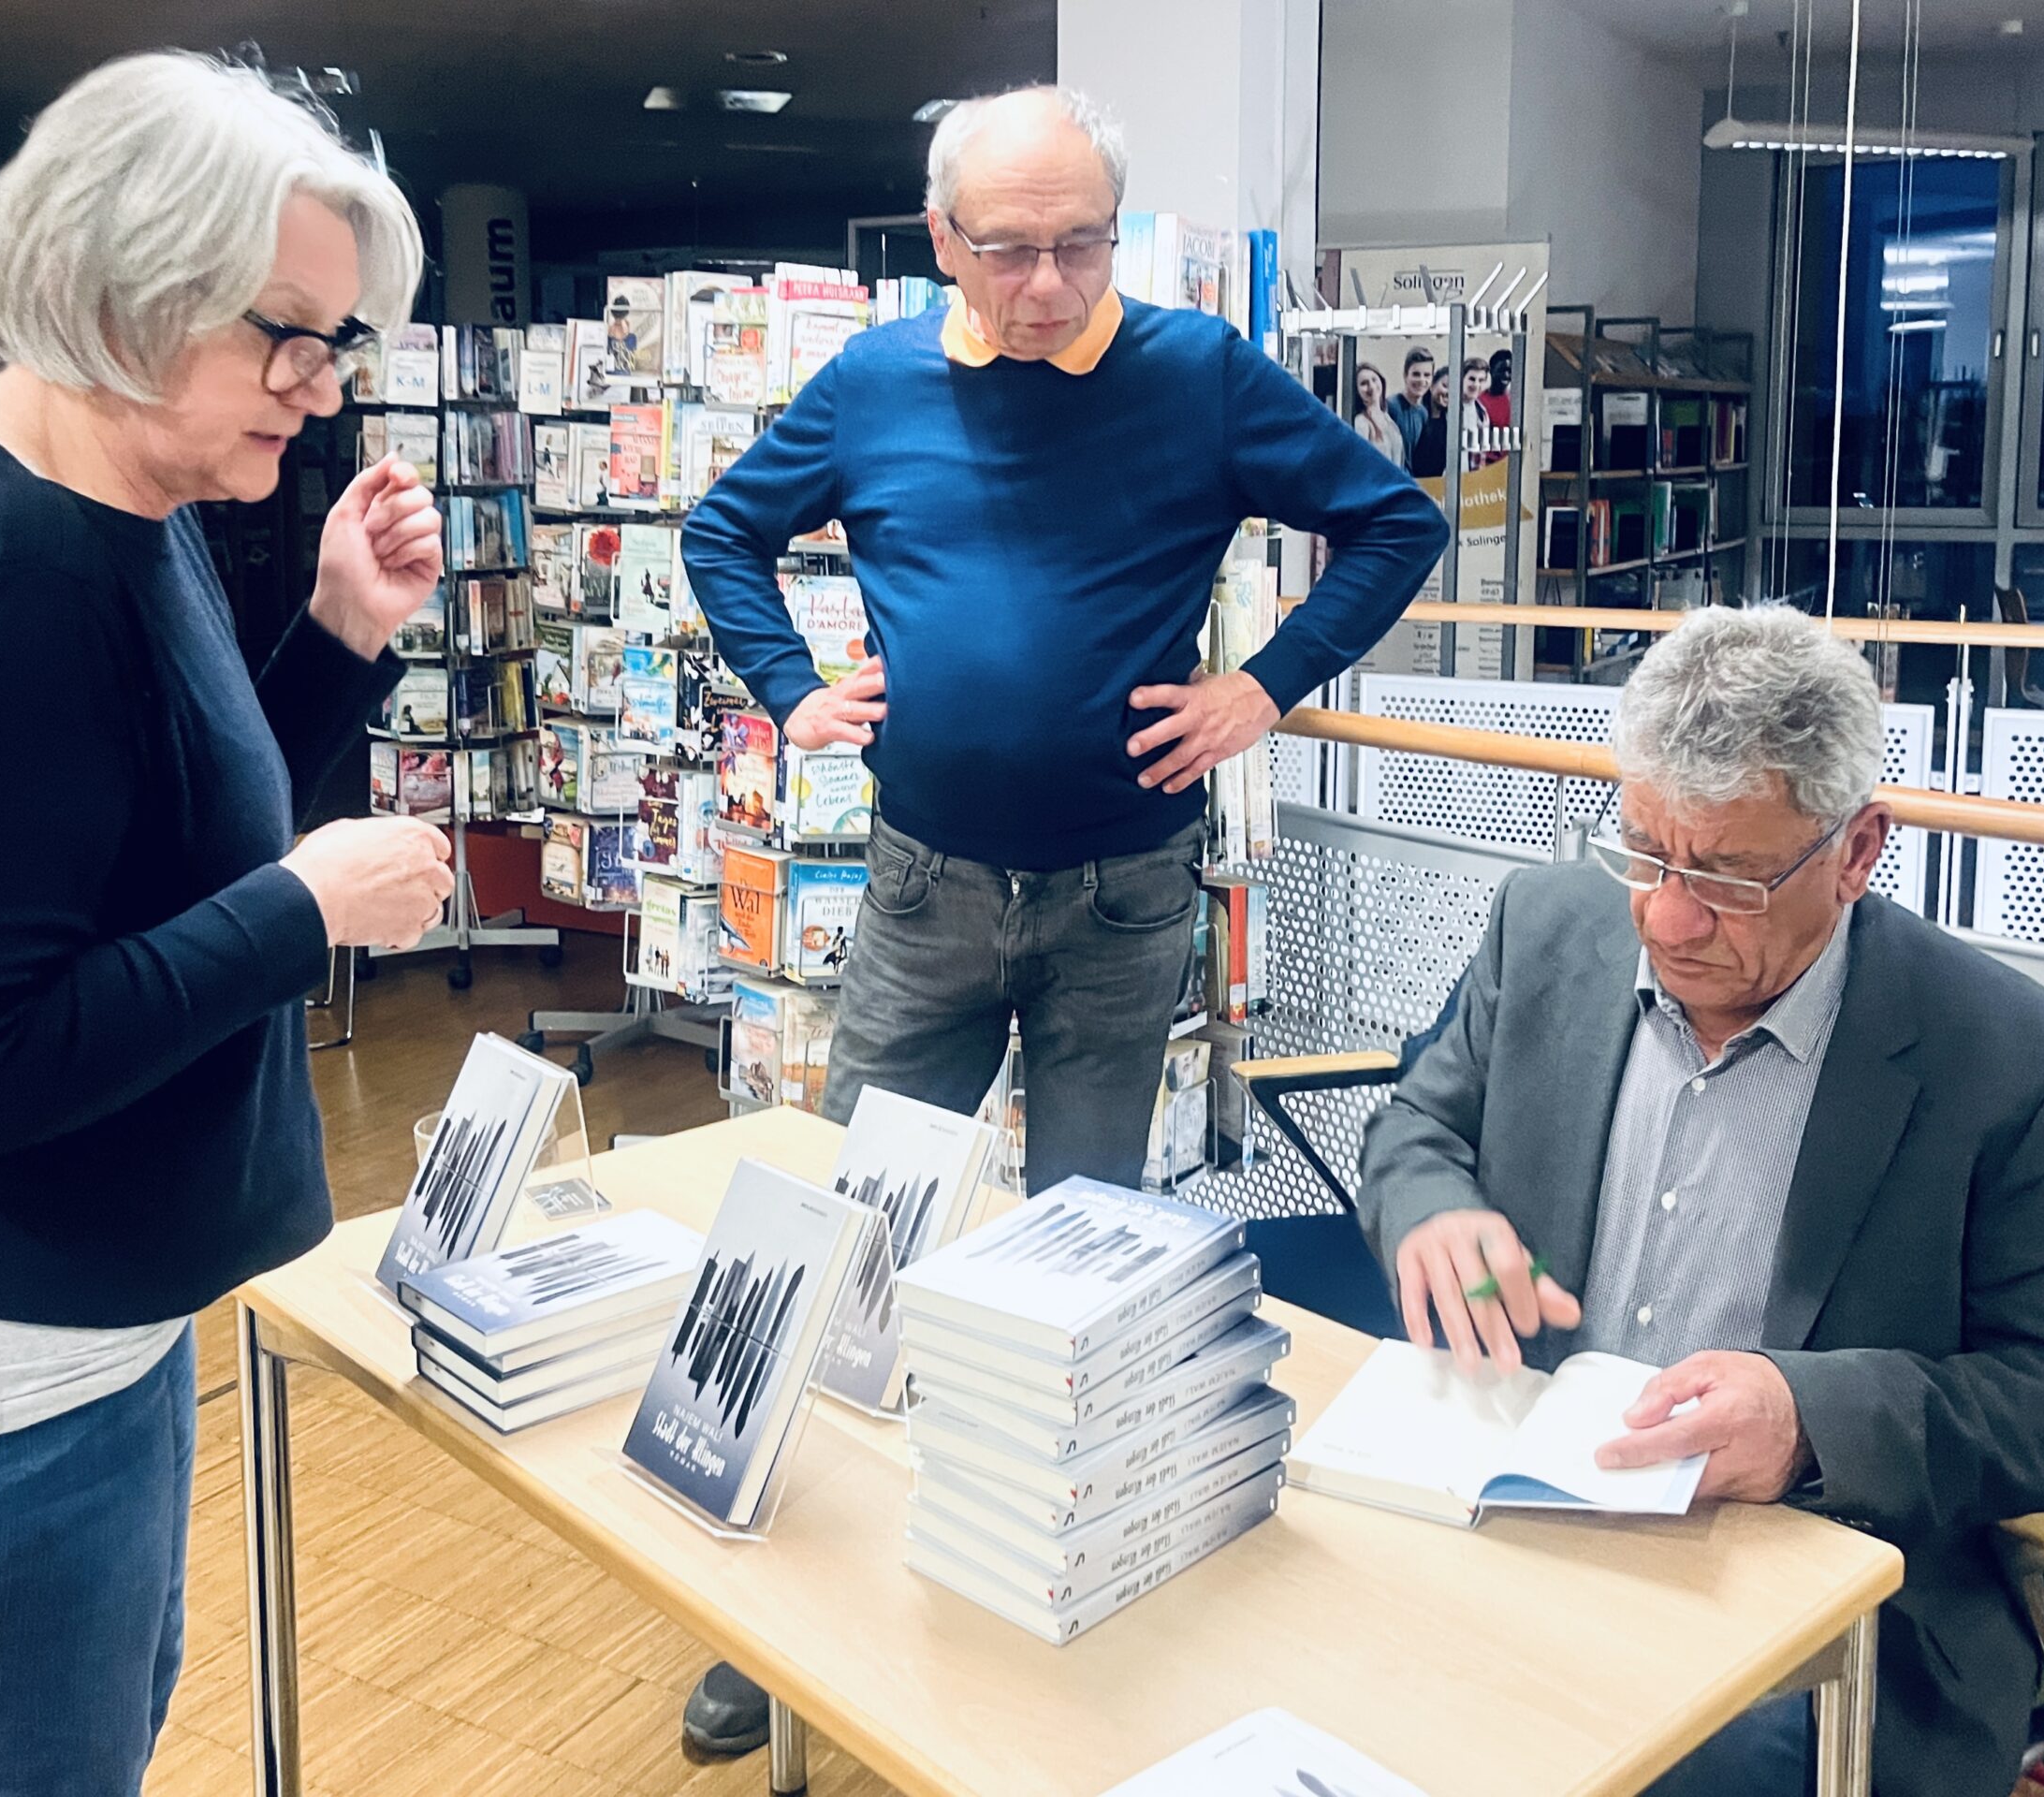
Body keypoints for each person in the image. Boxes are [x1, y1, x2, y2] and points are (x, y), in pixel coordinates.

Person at [680, 83, 1447, 1758]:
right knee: (852, 1238)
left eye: (1082, 243)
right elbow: (724, 529)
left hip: (1123, 897)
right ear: (941, 236)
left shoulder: (1198, 374)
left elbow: (1400, 523)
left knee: (1089, 1246)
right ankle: (779, 1616)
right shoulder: (877, 378)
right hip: (923, 887)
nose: (1048, 283)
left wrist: (1263, 688)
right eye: (1009, 248)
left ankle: (1048, 1594)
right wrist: (795, 690)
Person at [0, 51, 456, 1795]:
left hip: (54, 1336)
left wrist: (332, 636)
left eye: (338, 347)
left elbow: (137, 839)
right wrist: (300, 912)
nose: (317, 396)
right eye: (286, 337)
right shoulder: (5, 566)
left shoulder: (107, 496)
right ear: (129, 283)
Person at [1356, 605, 2044, 1797]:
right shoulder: (1548, 928)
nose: (1667, 918)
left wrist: (1812, 1418)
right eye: (1643, 852)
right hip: (1516, 1515)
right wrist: (1429, 1208)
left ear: (1858, 848)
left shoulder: (2016, 1066)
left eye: (1726, 877)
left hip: (1812, 1604)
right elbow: (1417, 1126)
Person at [1387, 346, 1434, 474]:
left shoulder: (1423, 413)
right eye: (1416, 374)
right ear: (1405, 375)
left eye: (1427, 375)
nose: (1422, 380)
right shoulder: (1391, 406)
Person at [1351, 361, 1405, 466]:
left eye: (1374, 380)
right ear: (1357, 391)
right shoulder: (1360, 422)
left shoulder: (1389, 420)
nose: (1371, 386)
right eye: (1364, 383)